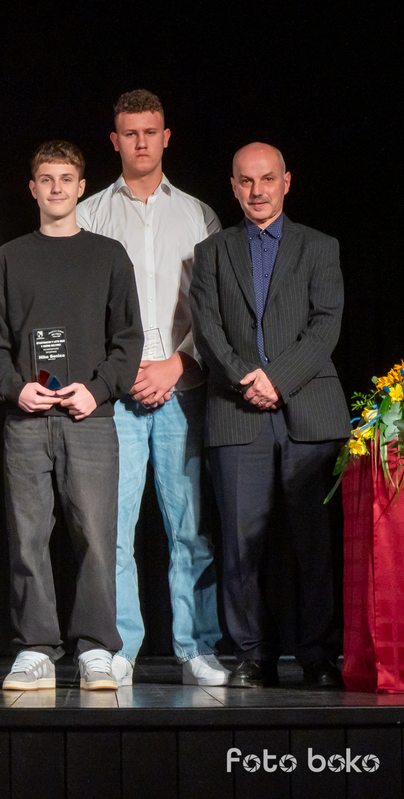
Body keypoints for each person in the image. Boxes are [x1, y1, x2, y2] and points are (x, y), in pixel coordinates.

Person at [75, 90, 227, 687]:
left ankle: (196, 648)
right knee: (111, 530)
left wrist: (176, 365)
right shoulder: (90, 213)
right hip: (117, 395)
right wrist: (125, 371)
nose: (141, 142)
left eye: (151, 131)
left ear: (166, 137)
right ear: (114, 141)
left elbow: (215, 311)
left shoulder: (199, 215)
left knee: (189, 527)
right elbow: (84, 310)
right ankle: (118, 647)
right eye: (130, 133)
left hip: (183, 390)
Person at [0, 140, 142, 691]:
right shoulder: (9, 258)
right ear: (33, 188)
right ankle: (35, 650)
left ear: (81, 187)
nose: (56, 188)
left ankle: (96, 649)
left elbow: (128, 340)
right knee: (27, 539)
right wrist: (15, 389)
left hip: (89, 419)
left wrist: (96, 391)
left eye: (66, 179)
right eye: (46, 179)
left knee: (96, 536)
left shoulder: (108, 255)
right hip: (27, 420)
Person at [189, 143, 347, 689]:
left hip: (310, 412)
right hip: (237, 411)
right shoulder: (211, 252)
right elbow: (207, 329)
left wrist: (277, 379)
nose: (257, 191)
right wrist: (245, 379)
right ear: (233, 187)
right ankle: (253, 655)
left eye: (267, 179)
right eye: (246, 181)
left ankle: (319, 655)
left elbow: (326, 325)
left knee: (313, 544)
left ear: (286, 181)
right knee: (240, 544)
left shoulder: (320, 247)